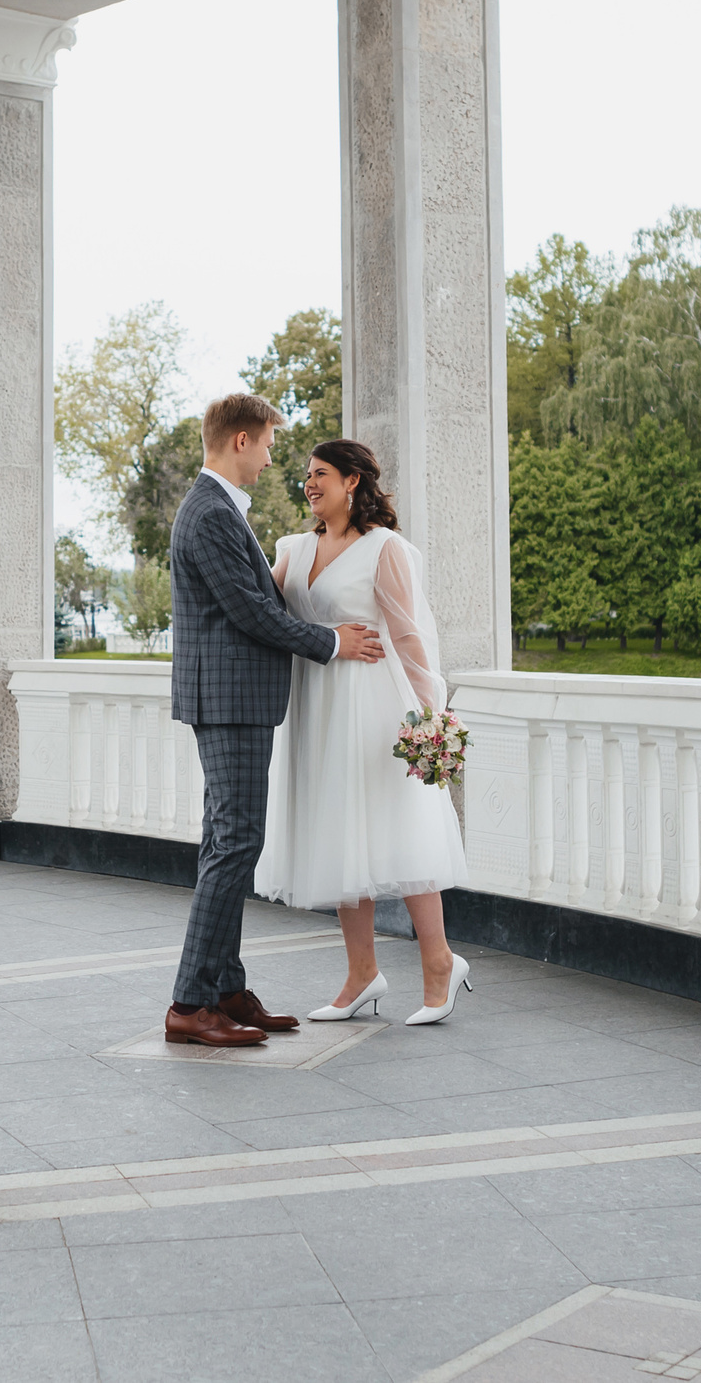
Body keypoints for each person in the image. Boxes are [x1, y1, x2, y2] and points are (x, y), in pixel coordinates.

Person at [163, 395, 386, 1049]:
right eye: (265, 444)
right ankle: (189, 1002)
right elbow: (250, 614)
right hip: (228, 701)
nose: (269, 459)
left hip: (232, 699)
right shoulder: (209, 513)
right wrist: (333, 642)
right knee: (235, 845)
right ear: (239, 441)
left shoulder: (219, 510)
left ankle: (225, 987)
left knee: (224, 843)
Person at [257, 439, 475, 1024]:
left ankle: (439, 964)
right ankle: (361, 975)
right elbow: (264, 607)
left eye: (320, 474)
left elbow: (408, 635)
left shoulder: (385, 549)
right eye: (306, 474)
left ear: (353, 481)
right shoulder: (293, 549)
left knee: (395, 828)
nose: (309, 483)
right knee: (339, 836)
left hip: (371, 704)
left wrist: (432, 715)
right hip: (316, 706)